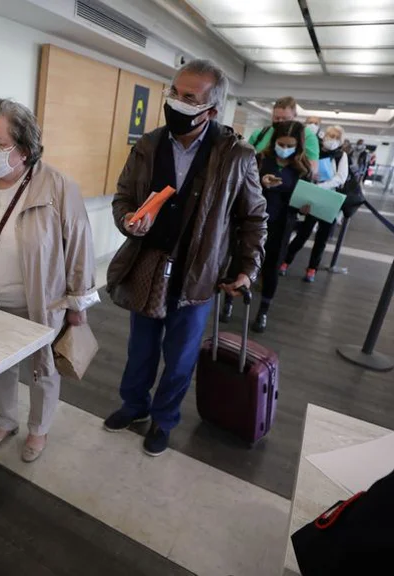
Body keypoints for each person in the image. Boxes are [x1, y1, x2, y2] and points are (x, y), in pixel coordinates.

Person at [104, 59, 268, 457]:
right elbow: (123, 197)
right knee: (140, 349)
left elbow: (254, 217)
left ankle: (164, 419)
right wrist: (128, 220)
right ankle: (135, 405)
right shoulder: (148, 145)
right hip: (147, 265)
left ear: (211, 109)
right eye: (174, 92)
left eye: (188, 97)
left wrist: (247, 268)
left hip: (198, 273)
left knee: (179, 357)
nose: (176, 102)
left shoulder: (236, 156)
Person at [0, 98, 98, 463]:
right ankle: (6, 420)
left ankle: (38, 430)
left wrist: (78, 308)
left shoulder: (57, 187)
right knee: (0, 368)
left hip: (41, 302)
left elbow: (79, 248)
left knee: (43, 369)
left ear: (24, 149)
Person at [248, 121, 312, 332]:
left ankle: (263, 311)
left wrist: (306, 207)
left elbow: (306, 196)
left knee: (272, 267)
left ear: (298, 146)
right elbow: (245, 185)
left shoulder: (302, 169)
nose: (284, 148)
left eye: (289, 145)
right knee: (243, 260)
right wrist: (260, 181)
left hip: (283, 223)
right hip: (255, 219)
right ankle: (229, 303)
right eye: (281, 143)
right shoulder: (261, 159)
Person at [281, 125, 350, 283]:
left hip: (329, 199)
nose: (331, 140)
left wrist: (323, 185)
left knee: (322, 238)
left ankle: (312, 268)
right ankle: (285, 262)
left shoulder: (341, 156)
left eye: (335, 138)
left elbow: (341, 178)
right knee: (303, 233)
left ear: (340, 141)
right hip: (313, 195)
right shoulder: (317, 151)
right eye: (329, 136)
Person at [249, 97, 319, 176]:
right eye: (277, 118)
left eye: (285, 118)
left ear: (294, 116)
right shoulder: (260, 134)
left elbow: (312, 169)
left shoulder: (307, 136)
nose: (280, 122)